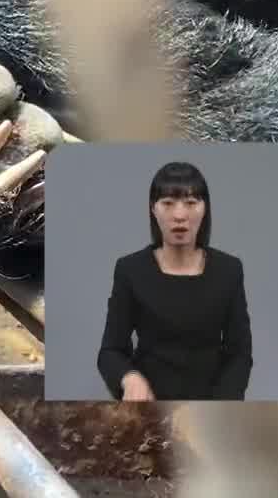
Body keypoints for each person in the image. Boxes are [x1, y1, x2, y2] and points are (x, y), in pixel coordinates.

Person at [96, 161, 252, 401]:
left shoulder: (229, 270)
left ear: (205, 208)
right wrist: (129, 377)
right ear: (153, 209)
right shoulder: (130, 269)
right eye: (168, 203)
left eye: (191, 203)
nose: (179, 215)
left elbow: (240, 354)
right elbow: (110, 351)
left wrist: (223, 407)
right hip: (148, 409)